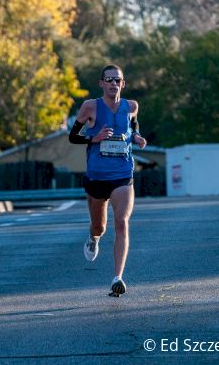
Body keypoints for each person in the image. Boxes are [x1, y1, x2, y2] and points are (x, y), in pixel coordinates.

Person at [68, 64, 147, 297]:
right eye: (109, 79)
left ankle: (117, 278)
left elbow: (133, 127)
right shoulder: (90, 107)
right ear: (101, 83)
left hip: (122, 174)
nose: (113, 83)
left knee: (121, 222)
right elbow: (73, 137)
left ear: (123, 84)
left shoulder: (131, 106)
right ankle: (93, 238)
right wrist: (95, 137)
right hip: (96, 176)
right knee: (99, 226)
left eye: (117, 80)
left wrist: (138, 137)